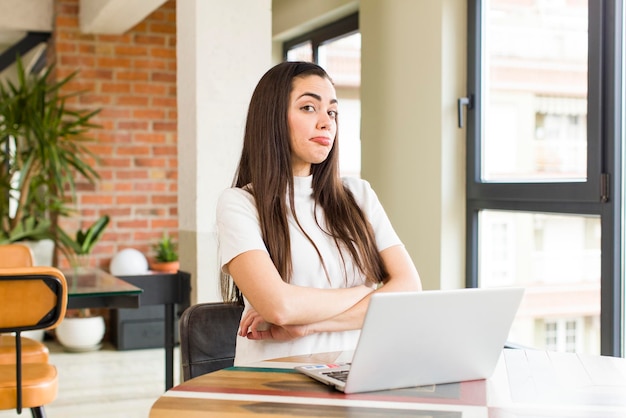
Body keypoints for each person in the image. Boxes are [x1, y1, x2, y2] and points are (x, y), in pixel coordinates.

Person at [217, 61, 422, 366]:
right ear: (272, 118)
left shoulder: (358, 195)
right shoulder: (239, 203)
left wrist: (310, 323)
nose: (326, 122)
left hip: (356, 370)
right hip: (274, 381)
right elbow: (280, 308)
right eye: (309, 108)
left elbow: (408, 288)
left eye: (332, 112)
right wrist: (367, 291)